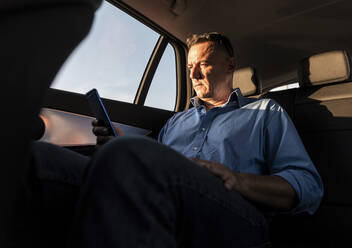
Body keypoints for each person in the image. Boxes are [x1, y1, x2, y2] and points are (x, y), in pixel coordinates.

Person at [30, 32, 323, 248]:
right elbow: (148, 169)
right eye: (190, 66)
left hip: (237, 215)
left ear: (230, 65)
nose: (193, 74)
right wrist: (115, 148)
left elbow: (308, 186)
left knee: (129, 155)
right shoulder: (176, 121)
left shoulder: (264, 112)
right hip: (167, 198)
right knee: (39, 157)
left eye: (204, 64)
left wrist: (237, 179)